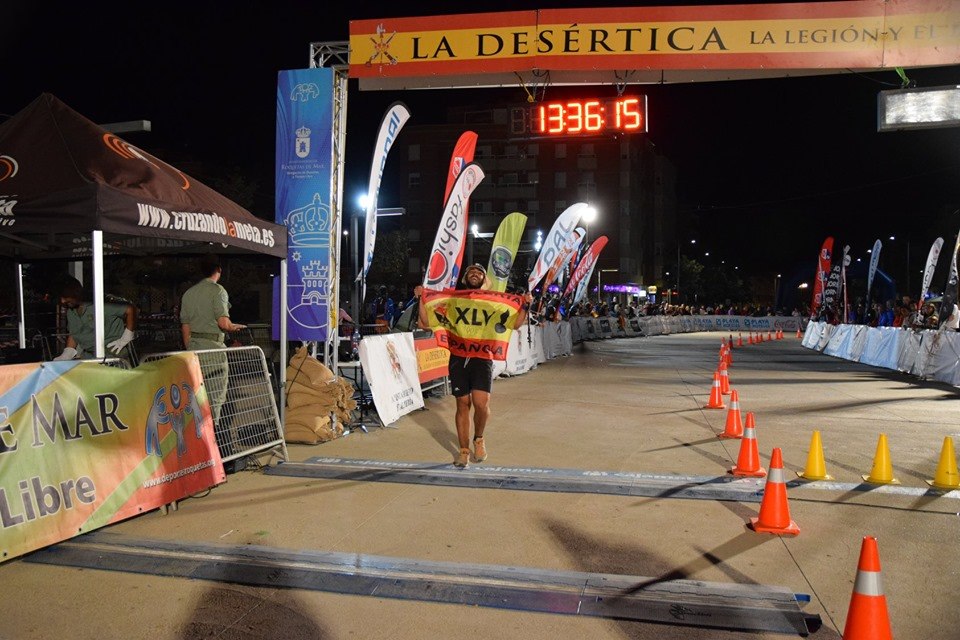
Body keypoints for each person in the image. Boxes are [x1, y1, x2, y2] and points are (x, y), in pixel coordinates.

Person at [414, 263, 533, 468]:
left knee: (481, 404)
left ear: (485, 279)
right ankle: (463, 451)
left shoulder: (492, 302)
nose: (475, 274)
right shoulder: (453, 300)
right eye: (471, 272)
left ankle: (478, 438)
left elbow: (515, 324)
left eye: (479, 272)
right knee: (462, 404)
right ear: (465, 278)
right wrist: (421, 298)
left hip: (482, 357)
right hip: (458, 358)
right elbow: (424, 323)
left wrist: (525, 305)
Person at [180, 255, 246, 430]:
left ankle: (195, 432)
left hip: (194, 349)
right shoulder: (218, 290)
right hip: (213, 350)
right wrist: (233, 327)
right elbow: (223, 323)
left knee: (196, 393)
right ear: (219, 270)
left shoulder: (189, 293)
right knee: (215, 395)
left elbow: (185, 326)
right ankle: (212, 433)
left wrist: (190, 347)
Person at [54, 276, 137, 363]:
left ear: (76, 292)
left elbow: (130, 309)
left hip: (112, 356)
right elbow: (75, 333)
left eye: (66, 296)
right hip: (89, 357)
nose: (63, 301)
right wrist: (68, 352)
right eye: (61, 298)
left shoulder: (101, 303)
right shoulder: (71, 312)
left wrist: (127, 336)